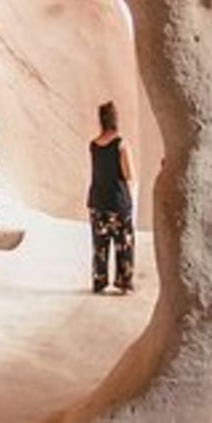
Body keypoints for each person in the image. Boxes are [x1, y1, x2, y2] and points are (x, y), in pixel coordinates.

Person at [88, 101, 137, 294]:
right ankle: (124, 282)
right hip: (118, 202)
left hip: (97, 201)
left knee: (99, 245)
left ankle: (99, 281)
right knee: (123, 243)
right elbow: (128, 174)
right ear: (115, 118)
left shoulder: (93, 145)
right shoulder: (121, 144)